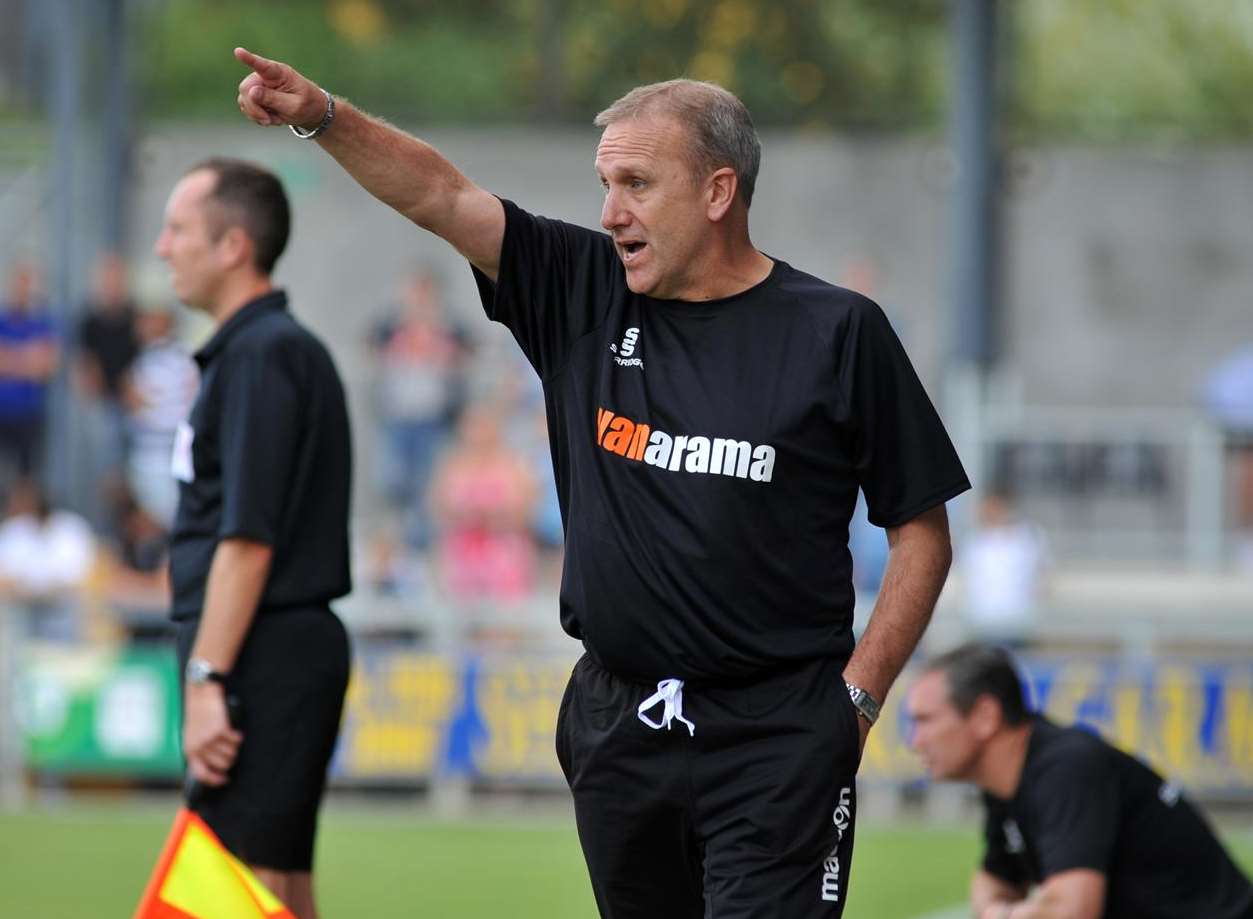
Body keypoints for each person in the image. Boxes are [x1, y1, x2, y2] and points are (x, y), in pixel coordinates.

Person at [234, 49, 969, 918]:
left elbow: (921, 531)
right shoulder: (583, 290)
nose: (609, 210)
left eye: (635, 183)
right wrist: (321, 113)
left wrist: (856, 700)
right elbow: (440, 196)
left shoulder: (838, 332)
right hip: (619, 728)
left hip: (778, 738)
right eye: (604, 182)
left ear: (717, 192)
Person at [154, 157, 352, 919]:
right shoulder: (259, 352)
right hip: (266, 653)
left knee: (242, 888)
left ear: (233, 245)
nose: (163, 247)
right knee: (276, 888)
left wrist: (206, 680)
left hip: (258, 656)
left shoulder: (263, 355)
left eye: (177, 229)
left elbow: (246, 537)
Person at [906, 643, 1253, 919]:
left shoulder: (1067, 768)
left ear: (985, 716)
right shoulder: (1010, 777)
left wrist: (1002, 914)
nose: (914, 741)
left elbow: (1071, 910)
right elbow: (992, 883)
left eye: (925, 721)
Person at [0, 262, 60, 482]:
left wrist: (10, 356)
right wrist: (28, 357)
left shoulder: (43, 322)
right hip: (2, 411)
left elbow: (46, 366)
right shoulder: (2, 320)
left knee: (27, 478)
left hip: (30, 414)